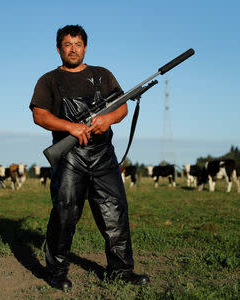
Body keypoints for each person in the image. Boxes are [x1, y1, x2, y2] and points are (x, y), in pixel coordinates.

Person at [29, 25, 149, 290]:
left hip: (103, 155)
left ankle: (120, 271)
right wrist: (70, 126)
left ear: (85, 47)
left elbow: (122, 107)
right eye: (68, 44)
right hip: (69, 156)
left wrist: (107, 119)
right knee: (65, 214)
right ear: (59, 48)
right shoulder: (48, 80)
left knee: (114, 212)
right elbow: (39, 115)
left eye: (78, 44)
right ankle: (57, 273)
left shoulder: (102, 75)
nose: (73, 49)